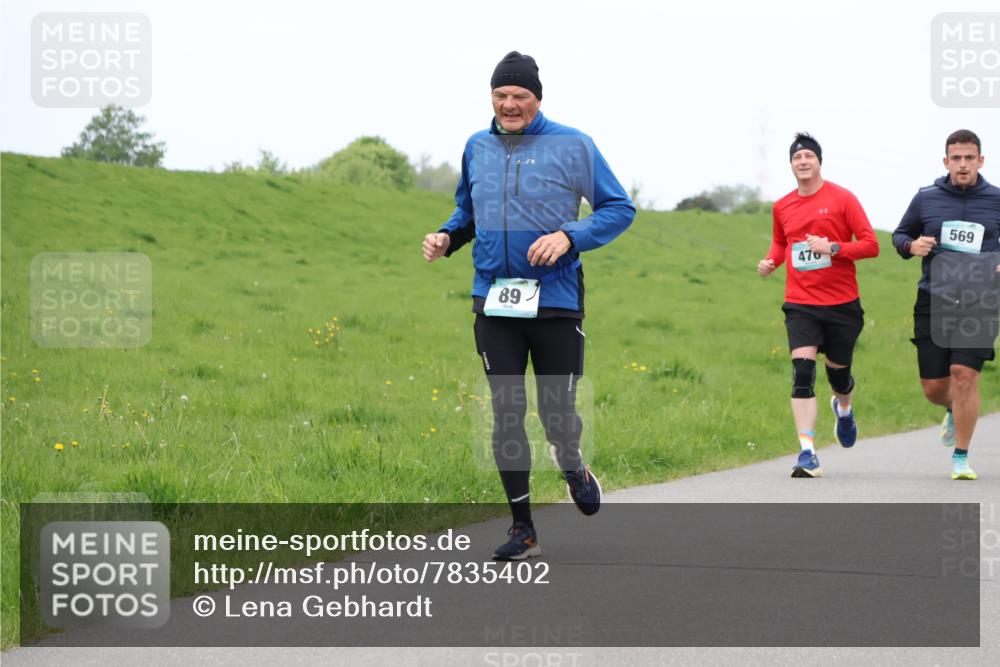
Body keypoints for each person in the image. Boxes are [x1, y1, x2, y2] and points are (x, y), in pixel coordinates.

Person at [422, 51, 635, 560]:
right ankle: (523, 527)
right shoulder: (476, 146)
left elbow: (618, 207)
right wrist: (447, 236)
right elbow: (467, 209)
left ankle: (573, 467)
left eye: (519, 96)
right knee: (507, 410)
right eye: (501, 96)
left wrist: (569, 235)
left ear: (538, 99)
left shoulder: (573, 144)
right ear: (491, 98)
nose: (509, 104)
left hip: (556, 299)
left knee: (556, 410)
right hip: (495, 299)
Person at [758, 133, 880, 478]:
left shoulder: (843, 199)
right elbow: (781, 244)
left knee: (839, 375)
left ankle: (843, 408)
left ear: (819, 161)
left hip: (842, 303)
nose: (803, 161)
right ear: (791, 164)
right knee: (802, 374)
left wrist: (834, 249)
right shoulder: (782, 206)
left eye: (809, 155)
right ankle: (807, 452)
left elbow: (871, 245)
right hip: (801, 303)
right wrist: (771, 262)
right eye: (797, 157)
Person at [891, 129, 1000, 481]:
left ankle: (961, 457)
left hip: (982, 300)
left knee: (964, 376)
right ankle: (953, 409)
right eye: (957, 158)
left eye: (970, 158)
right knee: (934, 386)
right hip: (935, 299)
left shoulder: (997, 199)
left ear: (981, 161)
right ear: (946, 161)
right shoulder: (927, 198)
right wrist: (911, 246)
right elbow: (899, 234)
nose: (963, 164)